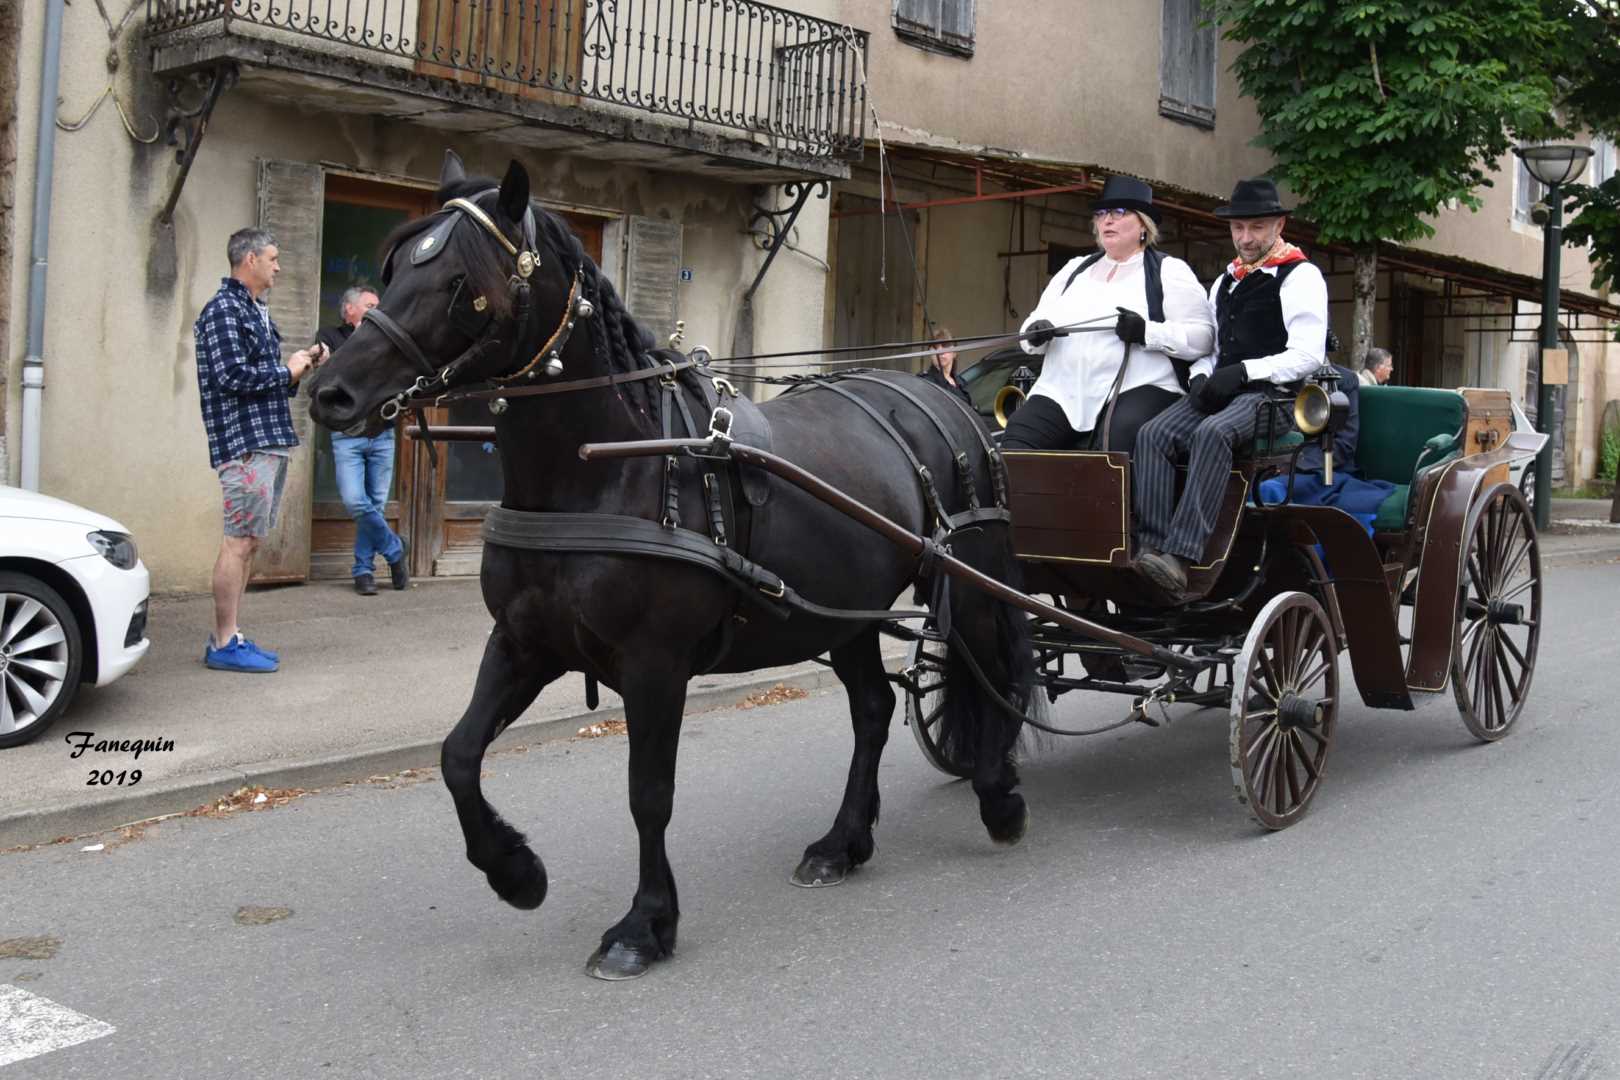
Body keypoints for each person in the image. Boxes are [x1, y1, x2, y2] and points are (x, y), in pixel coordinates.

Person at [1133, 177, 1330, 595]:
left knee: (1213, 433)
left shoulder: (1300, 275)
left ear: (1278, 226)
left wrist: (1245, 372)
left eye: (1256, 227)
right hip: (1225, 387)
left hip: (1275, 397)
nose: (1246, 237)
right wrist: (1202, 373)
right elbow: (1213, 347)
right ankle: (1151, 548)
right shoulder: (1225, 281)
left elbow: (1307, 355)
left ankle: (1181, 557)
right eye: (1239, 228)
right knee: (1152, 434)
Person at [195, 228, 327, 672]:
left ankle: (230, 636)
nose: (278, 265)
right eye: (272, 257)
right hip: (245, 444)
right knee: (238, 542)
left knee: (249, 542)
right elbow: (230, 376)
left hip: (267, 440)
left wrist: (298, 367)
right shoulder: (223, 310)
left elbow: (265, 380)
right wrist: (284, 370)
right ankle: (222, 643)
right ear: (249, 259)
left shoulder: (252, 310)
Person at [1005, 176, 1215, 454]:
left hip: (1139, 387)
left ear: (1143, 224)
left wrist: (1147, 333)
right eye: (1102, 214)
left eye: (1119, 212)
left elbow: (1204, 337)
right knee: (1017, 437)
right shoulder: (1074, 270)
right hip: (1063, 392)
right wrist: (1036, 331)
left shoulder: (1169, 271)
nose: (1107, 221)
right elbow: (1030, 329)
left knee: (1118, 440)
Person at [317, 285, 409, 596]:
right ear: (350, 310)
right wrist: (358, 342)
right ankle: (396, 550)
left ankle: (363, 571)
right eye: (370, 305)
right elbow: (326, 373)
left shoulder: (387, 341)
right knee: (357, 502)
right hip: (347, 436)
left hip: (382, 434)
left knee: (376, 507)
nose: (377, 311)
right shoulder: (331, 337)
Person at [918, 325, 973, 406]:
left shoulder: (962, 382)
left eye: (945, 346)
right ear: (929, 353)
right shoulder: (924, 382)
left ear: (955, 353)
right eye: (935, 347)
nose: (940, 351)